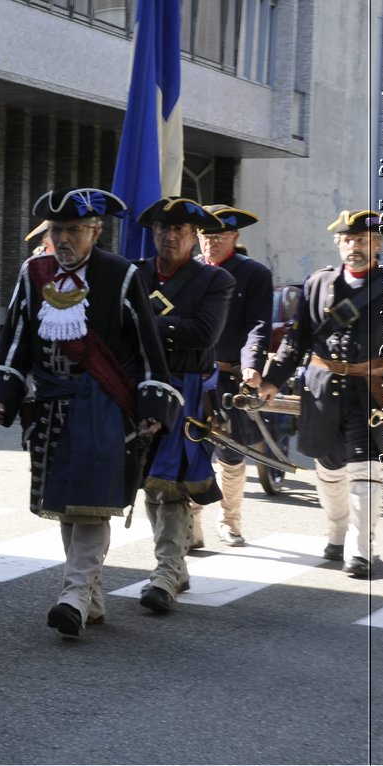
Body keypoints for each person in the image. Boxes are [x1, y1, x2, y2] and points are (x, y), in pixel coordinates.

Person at [0, 188, 178, 639]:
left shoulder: (120, 274)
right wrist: (2, 387)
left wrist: (152, 404)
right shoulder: (34, 272)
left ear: (95, 230)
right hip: (50, 404)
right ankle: (90, 595)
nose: (63, 239)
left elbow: (148, 346)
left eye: (73, 230)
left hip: (102, 403)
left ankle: (70, 595)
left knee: (90, 503)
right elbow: (15, 336)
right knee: (67, 505)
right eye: (56, 230)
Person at [260, 210, 383, 578]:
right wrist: (272, 379)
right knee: (329, 469)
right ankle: (337, 531)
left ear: (378, 245)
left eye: (364, 241)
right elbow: (297, 339)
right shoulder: (318, 283)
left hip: (371, 390)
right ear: (338, 243)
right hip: (323, 389)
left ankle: (361, 547)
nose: (356, 247)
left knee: (366, 467)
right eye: (349, 240)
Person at [131, 198, 233, 613]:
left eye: (179, 230)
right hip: (138, 385)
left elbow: (203, 333)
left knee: (169, 483)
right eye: (161, 229)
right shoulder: (132, 274)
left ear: (193, 237)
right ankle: (174, 565)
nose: (169, 236)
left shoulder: (215, 281)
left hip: (186, 389)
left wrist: (142, 325)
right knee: (146, 479)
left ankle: (166, 572)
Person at [197, 205, 274, 546]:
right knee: (190, 452)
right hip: (191, 376)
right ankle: (189, 524)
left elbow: (258, 326)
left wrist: (251, 365)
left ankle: (230, 520)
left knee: (230, 454)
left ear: (235, 237)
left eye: (219, 237)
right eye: (205, 236)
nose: (210, 244)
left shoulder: (253, 274)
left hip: (229, 377)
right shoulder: (189, 271)